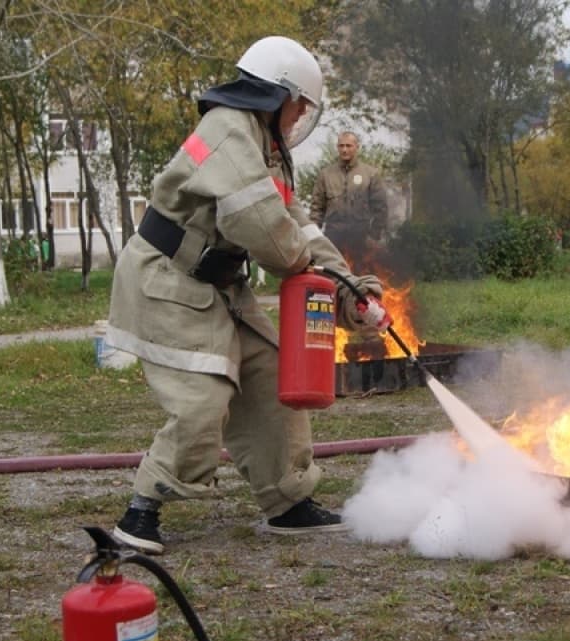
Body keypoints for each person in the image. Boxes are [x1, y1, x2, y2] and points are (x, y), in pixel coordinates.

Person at [104, 36, 391, 555]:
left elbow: (298, 227)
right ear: (277, 94)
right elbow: (261, 226)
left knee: (268, 371)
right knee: (205, 394)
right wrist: (309, 269)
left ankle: (287, 501)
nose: (301, 115)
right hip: (167, 280)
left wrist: (354, 291)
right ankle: (142, 507)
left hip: (219, 285)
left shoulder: (265, 149)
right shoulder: (227, 130)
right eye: (299, 103)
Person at [309, 131, 389, 267]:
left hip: (361, 237)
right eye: (341, 146)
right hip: (333, 236)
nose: (344, 149)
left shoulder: (370, 174)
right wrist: (314, 237)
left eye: (348, 146)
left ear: (357, 147)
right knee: (334, 276)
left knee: (360, 276)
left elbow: (381, 208)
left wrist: (374, 236)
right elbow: (317, 209)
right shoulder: (326, 175)